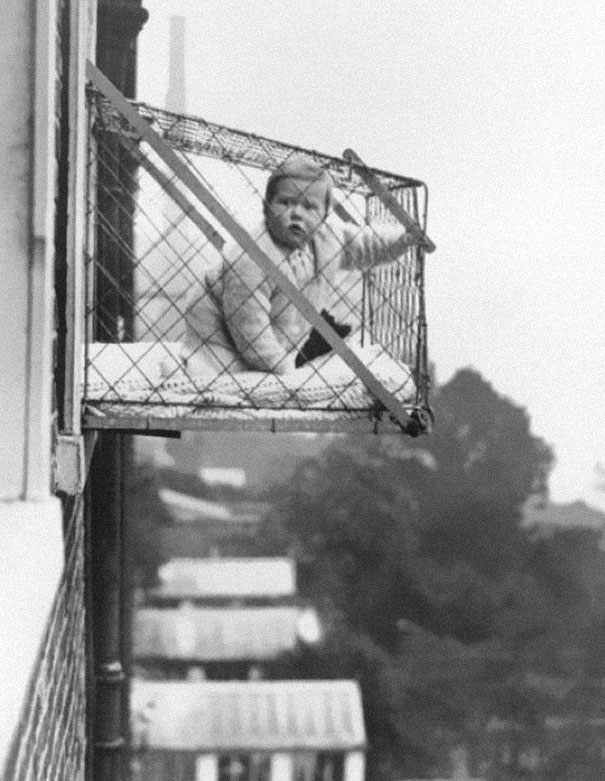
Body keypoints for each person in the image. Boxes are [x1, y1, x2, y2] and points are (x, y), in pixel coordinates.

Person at [181, 155, 423, 377]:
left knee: (272, 363)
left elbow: (365, 246)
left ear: (325, 215)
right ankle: (192, 364)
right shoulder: (250, 258)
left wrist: (402, 240)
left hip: (280, 329)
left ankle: (274, 363)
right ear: (266, 207)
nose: (296, 213)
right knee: (219, 372)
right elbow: (251, 330)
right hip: (216, 329)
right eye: (285, 203)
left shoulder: (327, 239)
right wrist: (285, 372)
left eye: (309, 207)